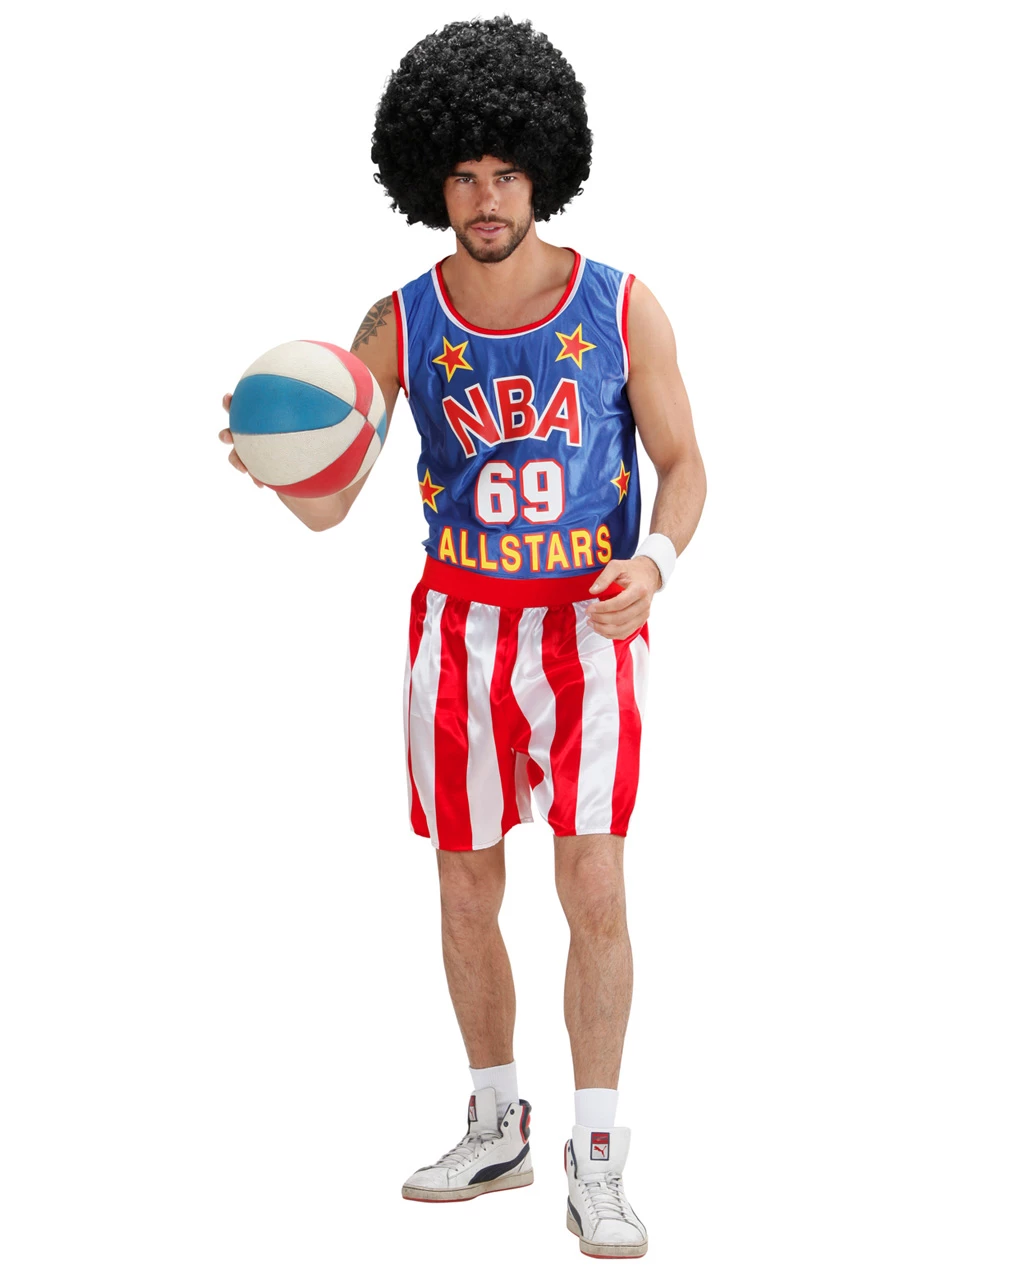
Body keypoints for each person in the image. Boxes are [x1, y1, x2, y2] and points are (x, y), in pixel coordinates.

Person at [219, 16, 705, 1260]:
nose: (485, 199)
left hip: (587, 628)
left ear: (543, 173)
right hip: (458, 630)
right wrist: (276, 464)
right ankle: (497, 1122)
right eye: (462, 176)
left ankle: (597, 1151)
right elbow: (332, 507)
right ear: (427, 181)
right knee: (463, 882)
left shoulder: (621, 303)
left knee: (593, 880)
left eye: (506, 173)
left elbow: (685, 463)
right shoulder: (396, 323)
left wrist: (654, 561)